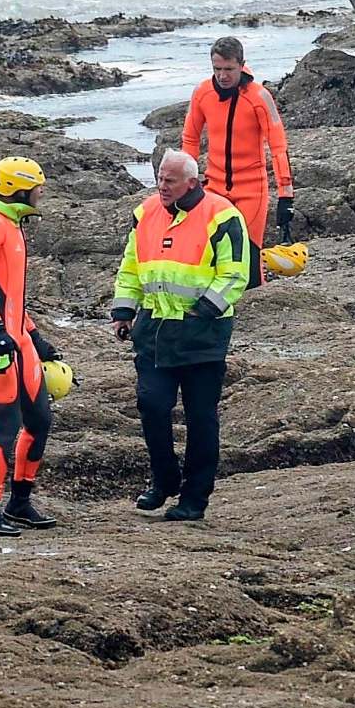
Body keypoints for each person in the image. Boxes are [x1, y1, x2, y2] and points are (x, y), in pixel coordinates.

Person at [111, 150, 248, 523]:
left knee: (200, 418)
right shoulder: (145, 213)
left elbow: (236, 274)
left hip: (203, 336)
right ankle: (164, 479)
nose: (161, 186)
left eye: (169, 180)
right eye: (159, 178)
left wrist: (204, 311)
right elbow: (130, 266)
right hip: (153, 330)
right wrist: (124, 311)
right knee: (151, 406)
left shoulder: (223, 215)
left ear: (192, 181)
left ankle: (194, 499)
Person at [0, 157, 60, 536]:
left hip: (17, 336)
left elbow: (12, 295)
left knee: (39, 420)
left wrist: (34, 336)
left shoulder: (12, 224)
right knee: (6, 426)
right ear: (19, 189)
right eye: (37, 186)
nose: (41, 192)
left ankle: (20, 502)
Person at [181, 35, 294, 288]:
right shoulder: (202, 93)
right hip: (214, 187)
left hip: (252, 189)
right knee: (207, 253)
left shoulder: (259, 97)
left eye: (229, 69)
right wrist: (186, 183)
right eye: (217, 69)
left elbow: (279, 146)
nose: (222, 76)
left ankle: (255, 315)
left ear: (242, 65)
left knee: (249, 257)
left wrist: (286, 195)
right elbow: (190, 138)